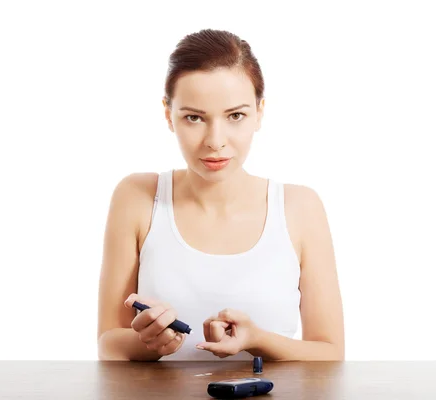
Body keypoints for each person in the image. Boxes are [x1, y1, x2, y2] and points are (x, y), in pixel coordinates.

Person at [97, 29, 344, 361]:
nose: (215, 140)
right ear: (169, 115)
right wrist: (148, 343)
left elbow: (330, 354)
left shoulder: (300, 208)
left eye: (235, 116)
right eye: (194, 117)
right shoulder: (137, 197)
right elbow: (109, 345)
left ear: (259, 112)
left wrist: (257, 339)